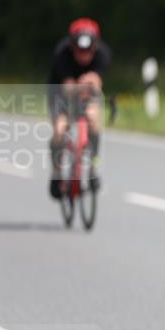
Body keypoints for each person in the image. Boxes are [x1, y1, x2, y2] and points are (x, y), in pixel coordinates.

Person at [48, 18, 111, 198]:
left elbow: (97, 82)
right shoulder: (62, 54)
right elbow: (67, 87)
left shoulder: (103, 54)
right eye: (79, 51)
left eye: (88, 51)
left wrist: (91, 83)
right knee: (60, 128)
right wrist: (84, 83)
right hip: (60, 90)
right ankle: (56, 173)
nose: (84, 56)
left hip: (86, 91)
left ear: (95, 47)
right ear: (72, 46)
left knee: (93, 118)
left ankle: (93, 167)